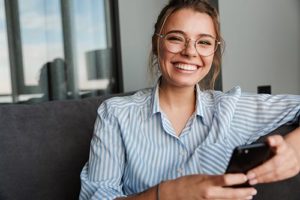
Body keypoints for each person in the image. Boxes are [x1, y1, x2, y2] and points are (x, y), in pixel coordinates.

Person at [79, 0, 300, 199]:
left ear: (214, 51)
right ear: (156, 45)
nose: (189, 52)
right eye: (176, 38)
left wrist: (293, 149)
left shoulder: (231, 108)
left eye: (203, 42)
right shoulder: (115, 114)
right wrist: (165, 194)